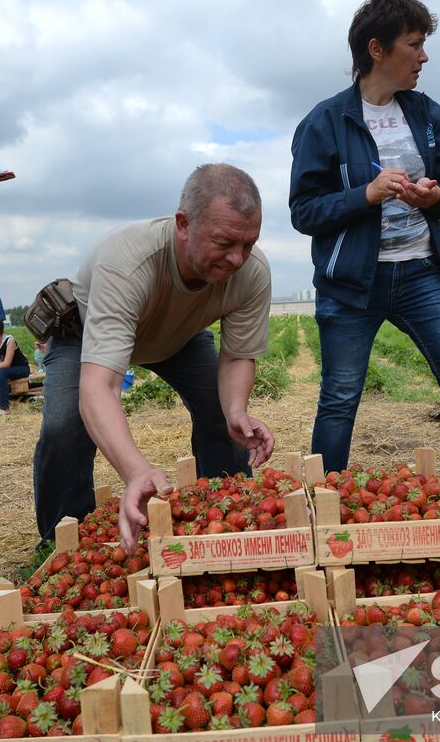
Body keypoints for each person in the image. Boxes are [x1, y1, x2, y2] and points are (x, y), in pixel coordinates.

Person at [289, 0, 440, 479]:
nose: (424, 56)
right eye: (414, 44)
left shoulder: (426, 113)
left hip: (423, 274)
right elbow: (304, 211)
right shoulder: (324, 123)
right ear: (377, 50)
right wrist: (365, 195)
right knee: (340, 399)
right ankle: (321, 506)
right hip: (353, 284)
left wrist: (436, 198)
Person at [32, 164, 275, 549]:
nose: (237, 259)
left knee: (225, 417)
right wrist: (136, 470)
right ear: (183, 224)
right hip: (84, 336)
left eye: (248, 244)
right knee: (65, 427)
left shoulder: (253, 272)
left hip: (178, 337)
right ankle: (64, 544)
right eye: (224, 242)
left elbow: (238, 355)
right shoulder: (128, 260)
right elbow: (101, 385)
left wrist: (236, 410)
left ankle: (224, 523)